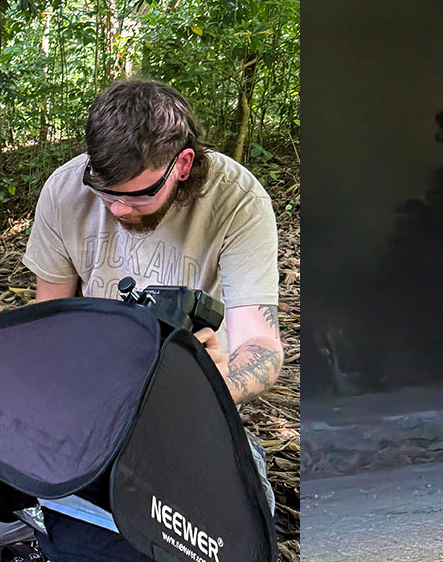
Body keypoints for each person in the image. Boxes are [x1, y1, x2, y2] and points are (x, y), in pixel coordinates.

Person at [25, 78, 285, 406]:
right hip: (94, 383)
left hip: (191, 389)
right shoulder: (65, 190)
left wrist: (216, 387)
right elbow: (52, 317)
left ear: (183, 164)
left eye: (139, 194)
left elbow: (260, 342)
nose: (118, 208)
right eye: (104, 192)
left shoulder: (237, 200)